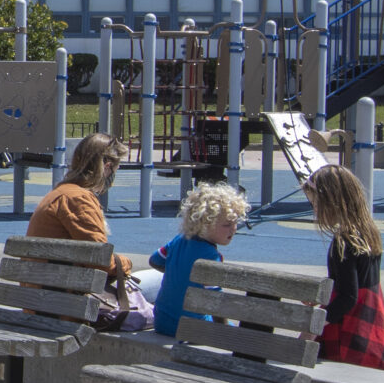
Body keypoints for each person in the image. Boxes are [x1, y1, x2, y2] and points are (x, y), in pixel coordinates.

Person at [25, 134, 149, 330]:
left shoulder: (60, 193)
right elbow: (101, 260)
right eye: (116, 169)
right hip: (63, 307)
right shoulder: (78, 199)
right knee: (158, 286)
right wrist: (126, 263)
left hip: (42, 300)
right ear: (107, 166)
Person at [305, 165, 384, 370]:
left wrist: (315, 326)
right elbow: (349, 281)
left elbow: (348, 296)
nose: (315, 210)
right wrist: (321, 293)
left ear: (333, 202)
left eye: (317, 204)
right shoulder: (368, 233)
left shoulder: (343, 242)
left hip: (349, 326)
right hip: (371, 317)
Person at [147, 181, 250, 336]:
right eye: (227, 225)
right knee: (239, 332)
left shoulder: (179, 240)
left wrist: (180, 274)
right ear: (204, 224)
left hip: (162, 322)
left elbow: (155, 261)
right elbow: (214, 299)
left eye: (235, 223)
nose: (233, 229)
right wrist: (224, 331)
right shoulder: (211, 256)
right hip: (192, 328)